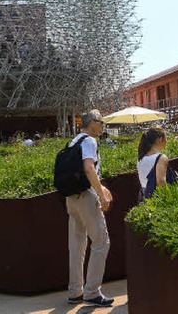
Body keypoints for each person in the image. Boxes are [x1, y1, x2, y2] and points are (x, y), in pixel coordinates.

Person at [65, 110, 114, 307]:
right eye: (101, 122)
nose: (102, 126)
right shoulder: (90, 141)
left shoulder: (73, 141)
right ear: (93, 123)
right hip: (86, 196)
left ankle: (75, 291)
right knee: (101, 241)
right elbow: (88, 168)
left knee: (77, 244)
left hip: (71, 198)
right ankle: (92, 292)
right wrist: (101, 195)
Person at [137, 126, 169, 198]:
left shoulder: (141, 157)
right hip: (154, 196)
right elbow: (161, 183)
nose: (167, 141)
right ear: (160, 139)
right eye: (166, 138)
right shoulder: (161, 158)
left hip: (143, 195)